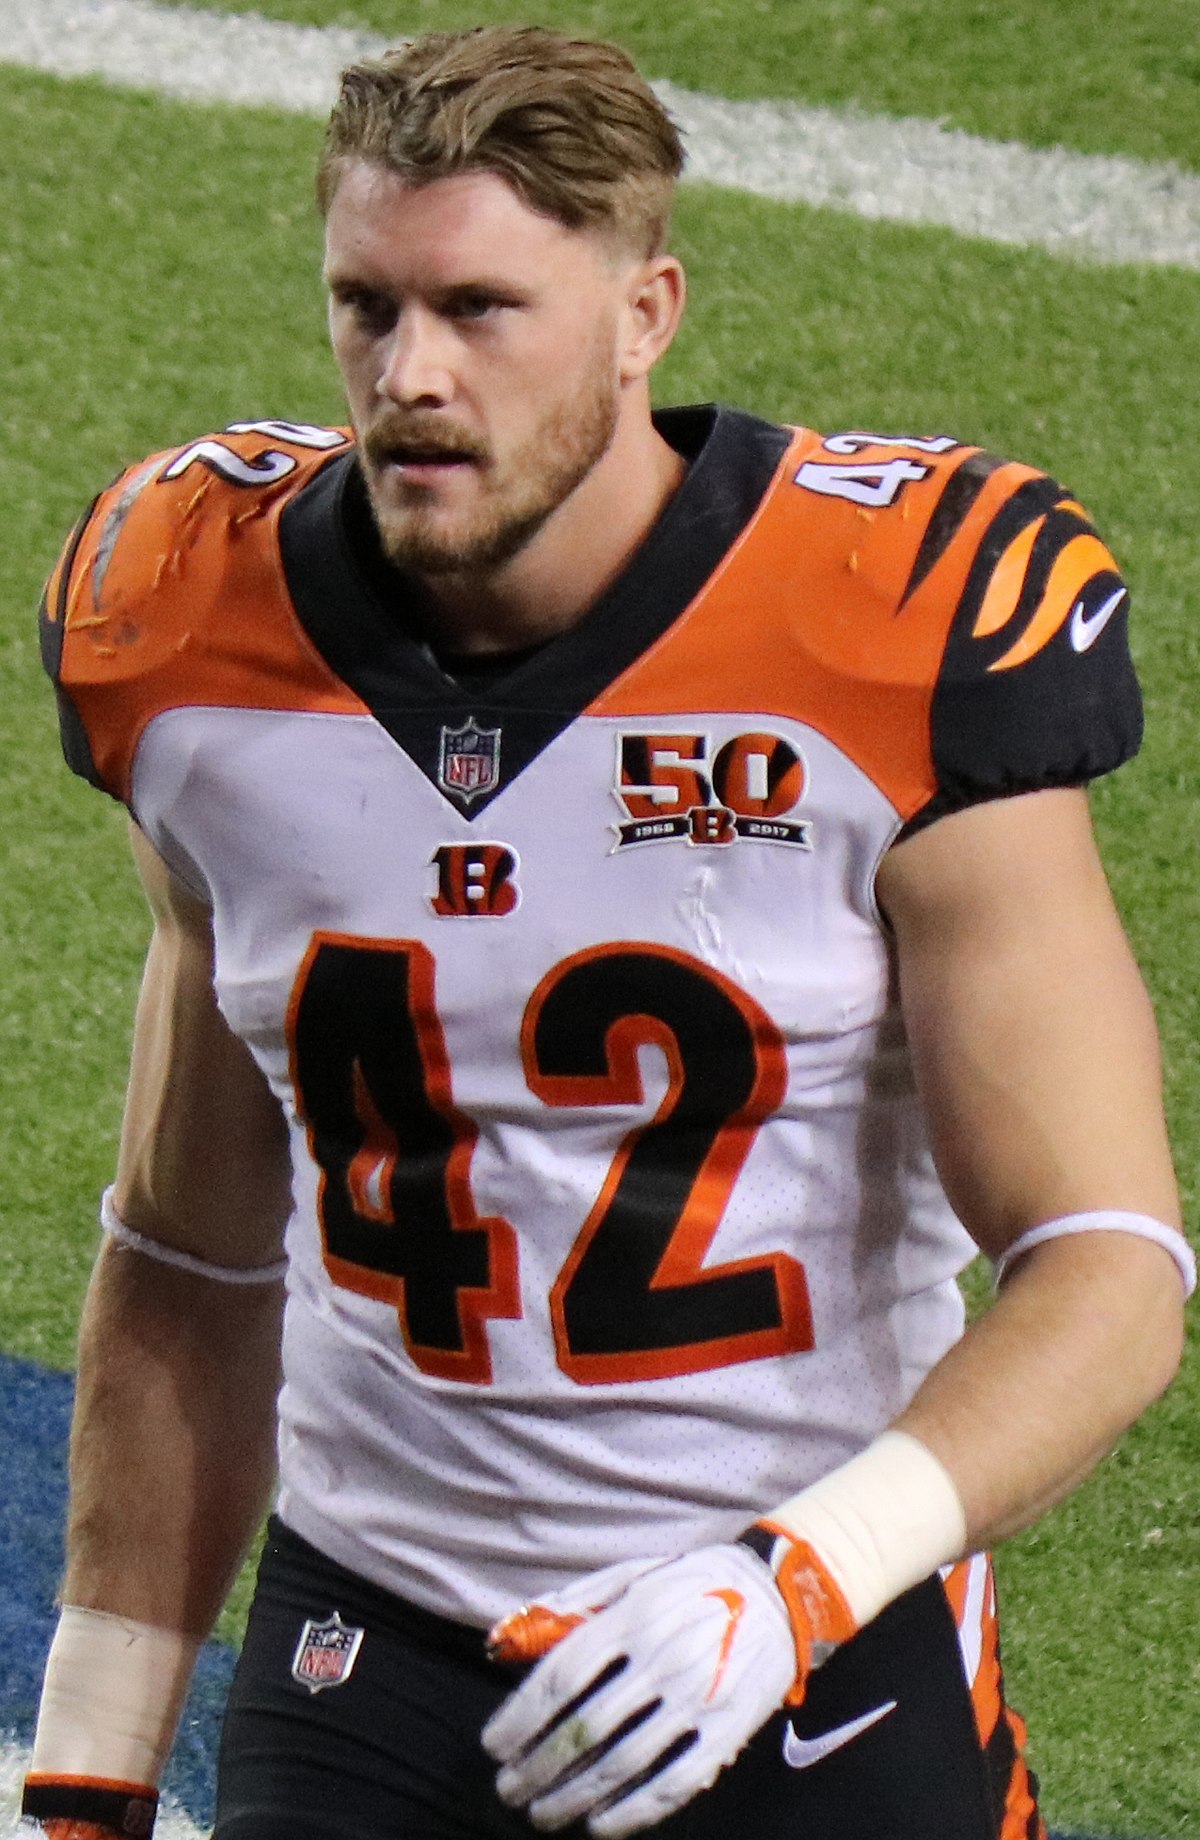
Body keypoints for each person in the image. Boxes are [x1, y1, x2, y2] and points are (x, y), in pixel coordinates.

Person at [22, 24, 1193, 1840]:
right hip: (374, 1632)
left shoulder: (888, 631)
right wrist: (91, 1761)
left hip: (799, 1635)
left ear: (645, 313)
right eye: (366, 305)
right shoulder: (189, 624)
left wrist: (793, 1580)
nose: (408, 376)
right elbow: (193, 1250)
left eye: (482, 308)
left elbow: (1109, 1265)